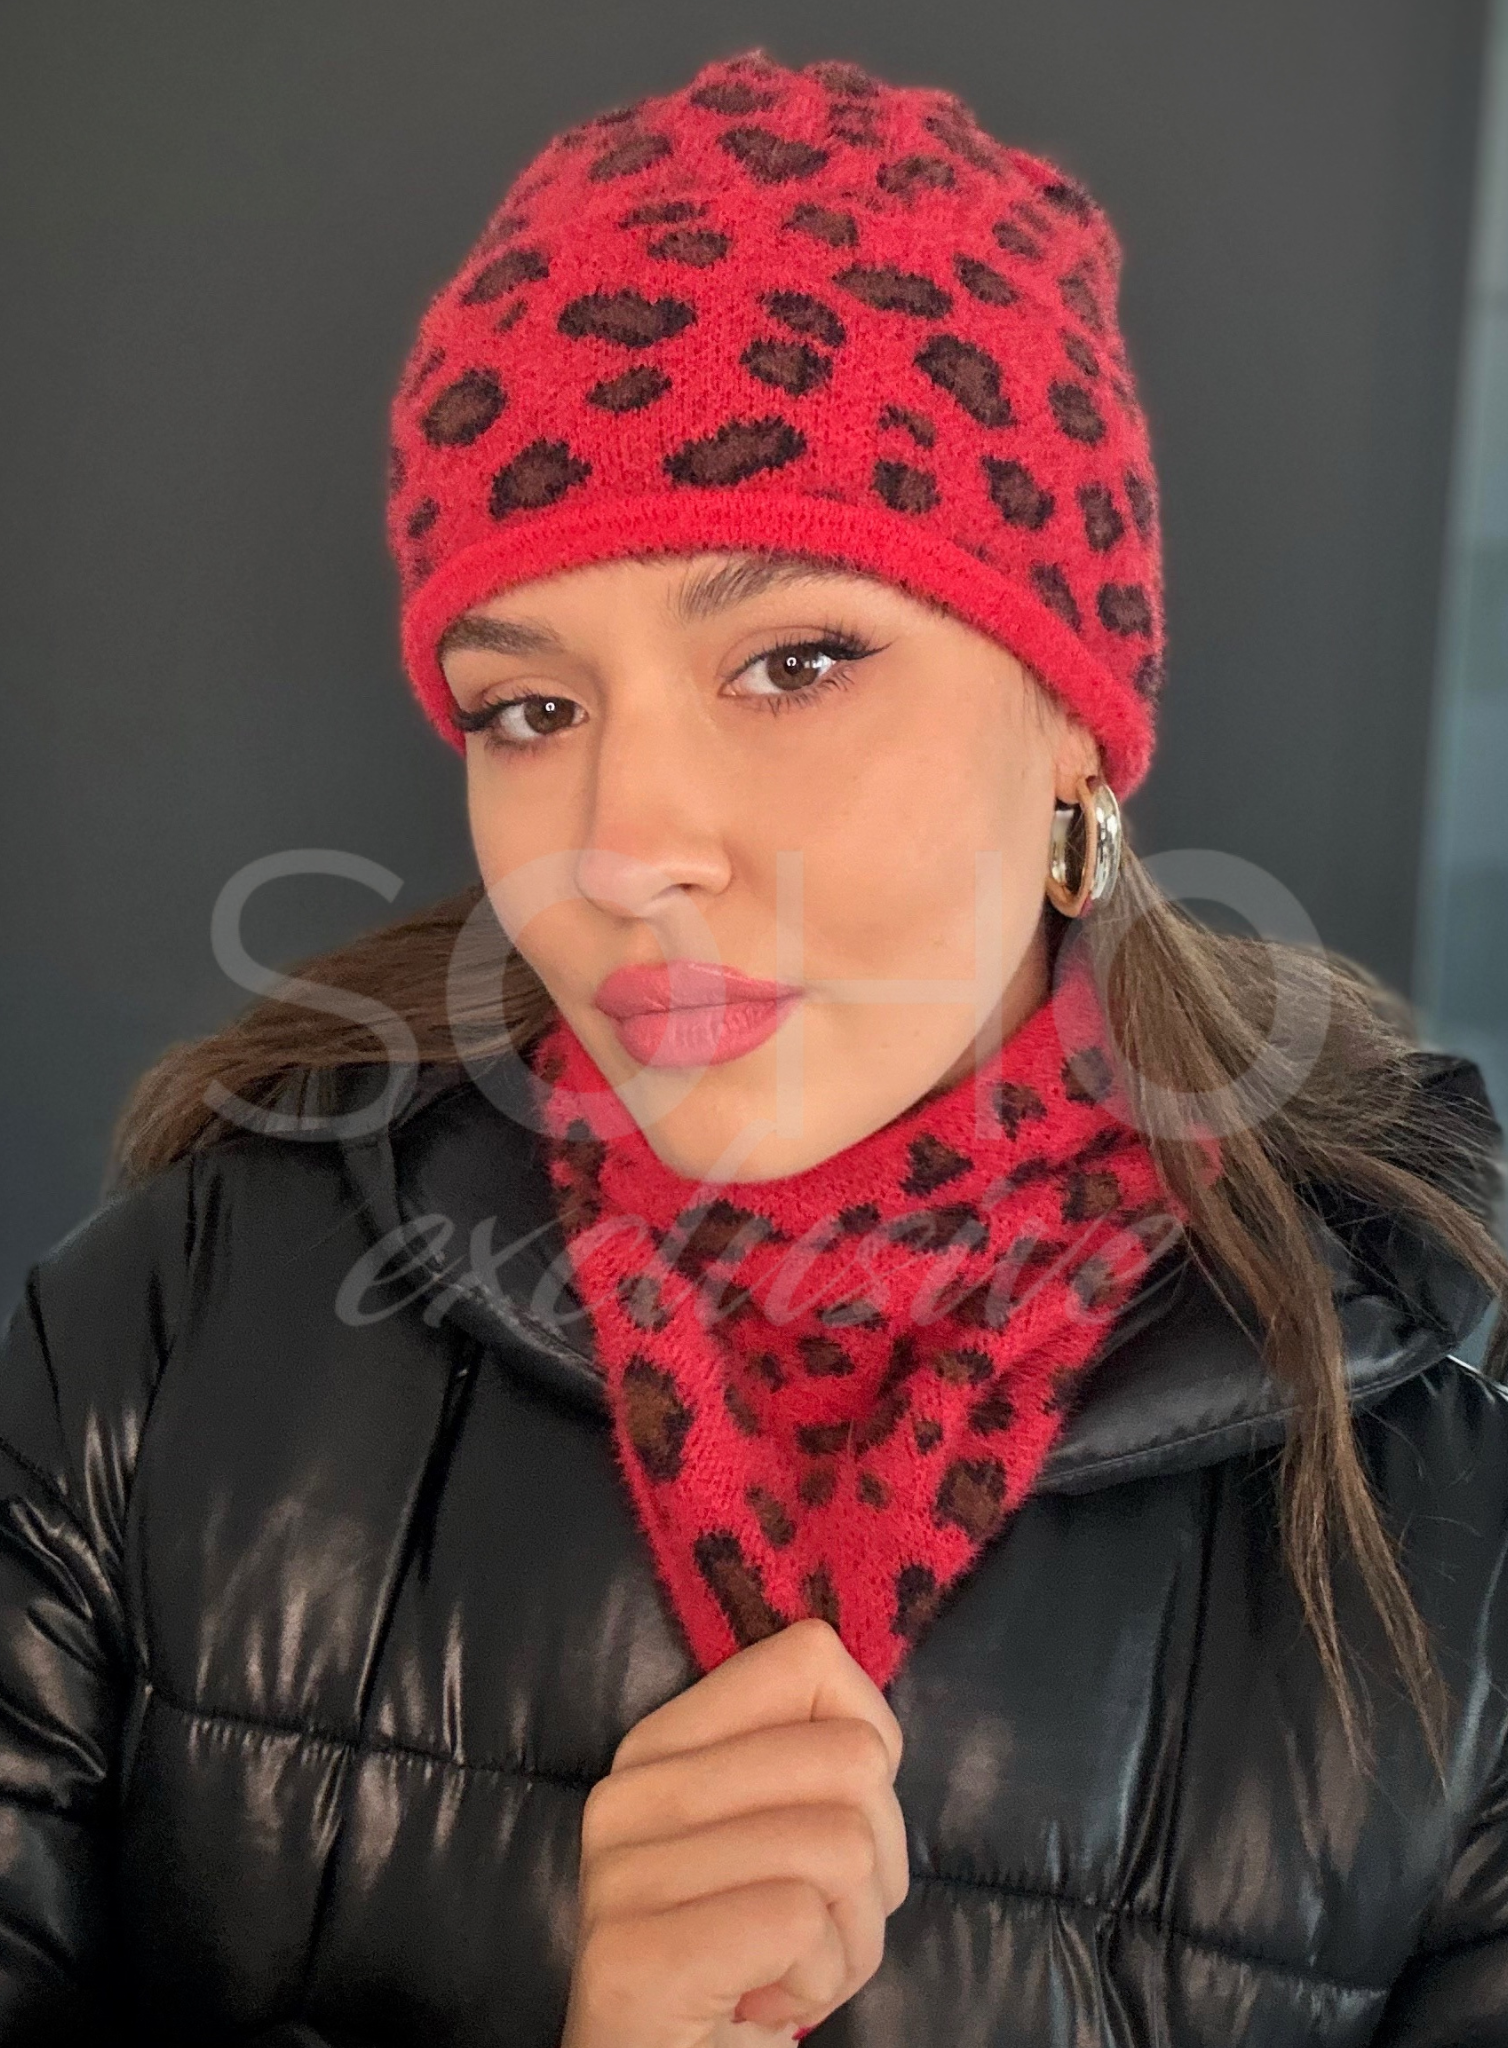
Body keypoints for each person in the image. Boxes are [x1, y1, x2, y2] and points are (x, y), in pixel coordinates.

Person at [2, 44, 1506, 2048]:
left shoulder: (1449, 1556)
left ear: (1075, 715)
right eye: (530, 708)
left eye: (794, 660)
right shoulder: (164, 1343)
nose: (625, 846)